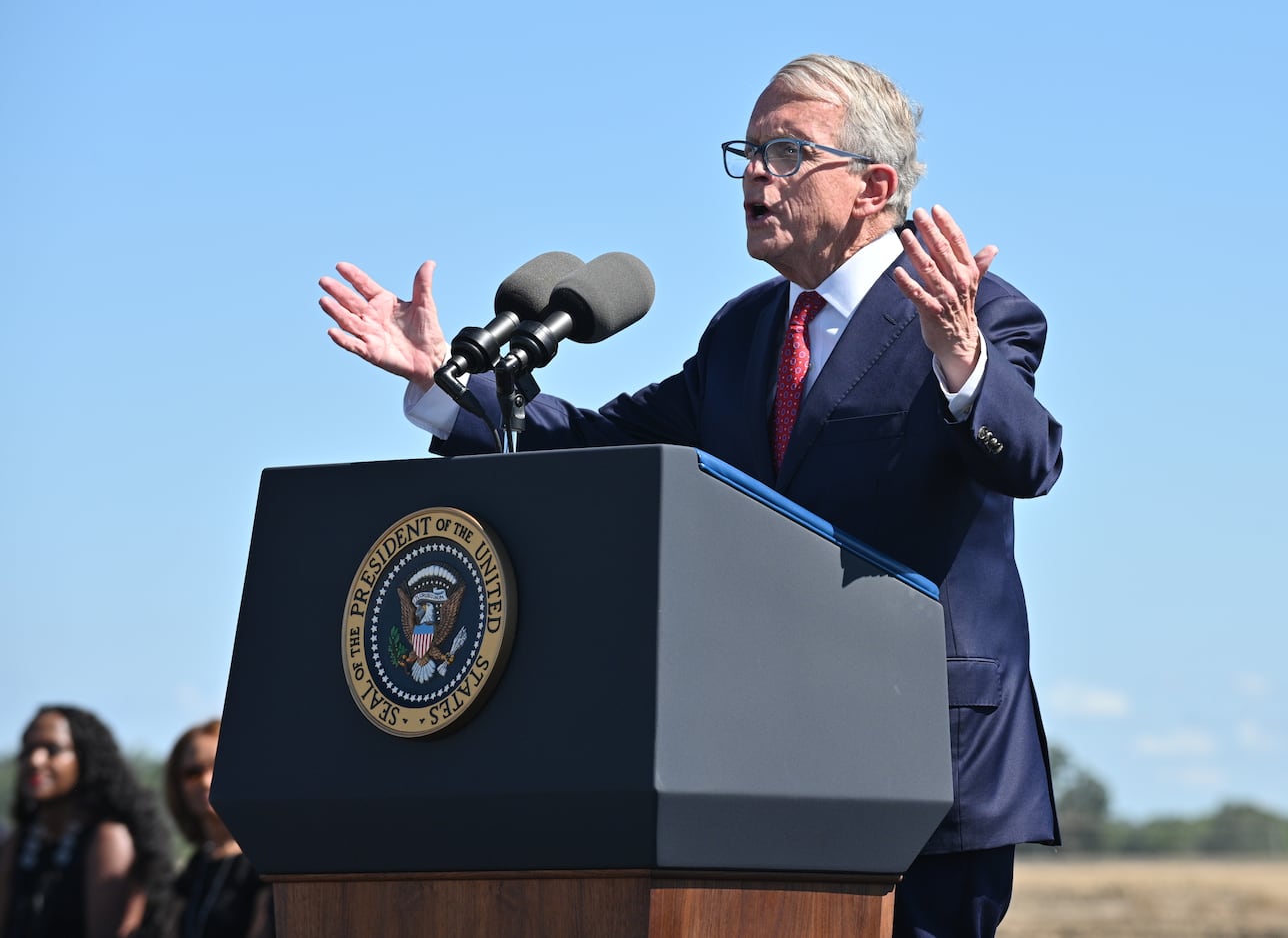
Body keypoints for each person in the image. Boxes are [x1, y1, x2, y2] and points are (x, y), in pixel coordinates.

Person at [319, 54, 1063, 938]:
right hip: (765, 758)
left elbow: (1028, 457)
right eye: (748, 150)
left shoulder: (978, 314)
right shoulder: (746, 331)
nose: (755, 172)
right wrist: (445, 382)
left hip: (928, 760)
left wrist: (962, 362)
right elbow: (600, 440)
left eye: (788, 152)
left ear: (874, 185)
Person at [0, 705, 173, 938]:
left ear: (85, 757)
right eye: (28, 750)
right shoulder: (19, 843)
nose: (35, 760)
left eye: (52, 749)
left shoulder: (106, 839)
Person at [162, 721, 272, 938]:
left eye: (217, 766)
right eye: (192, 773)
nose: (204, 781)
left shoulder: (266, 863)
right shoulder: (193, 870)